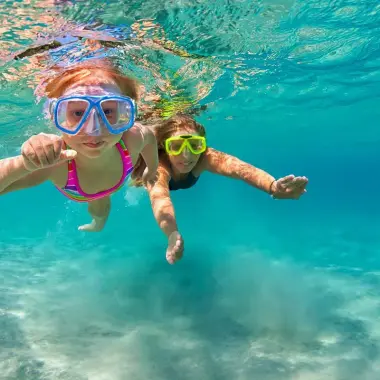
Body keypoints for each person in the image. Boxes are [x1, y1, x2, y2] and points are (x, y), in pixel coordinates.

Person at [0, 59, 158, 231]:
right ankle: (97, 223)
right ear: (57, 116)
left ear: (125, 112)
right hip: (79, 189)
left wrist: (151, 169)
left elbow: (150, 139)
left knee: (102, 205)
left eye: (107, 111)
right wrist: (26, 164)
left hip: (107, 187)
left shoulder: (133, 137)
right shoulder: (55, 162)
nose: (94, 130)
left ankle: (97, 224)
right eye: (77, 113)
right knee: (99, 202)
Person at [131, 113, 308, 264]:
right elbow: (160, 199)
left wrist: (272, 186)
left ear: (203, 146)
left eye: (195, 145)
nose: (187, 155)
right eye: (176, 146)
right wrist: (171, 233)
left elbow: (241, 169)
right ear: (165, 147)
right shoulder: (158, 168)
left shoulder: (205, 158)